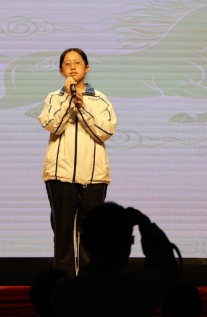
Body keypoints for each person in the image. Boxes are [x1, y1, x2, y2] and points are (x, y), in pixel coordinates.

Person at [38, 47, 117, 277]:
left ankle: (89, 286)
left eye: (78, 62)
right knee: (62, 233)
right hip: (60, 176)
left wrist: (83, 109)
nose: (72, 67)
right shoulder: (53, 98)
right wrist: (68, 101)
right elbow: (52, 125)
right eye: (67, 63)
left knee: (91, 235)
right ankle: (63, 286)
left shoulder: (100, 99)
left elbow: (105, 131)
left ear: (87, 68)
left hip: (93, 177)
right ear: (61, 70)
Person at [51, 202, 180, 317]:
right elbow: (167, 266)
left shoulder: (63, 291)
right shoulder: (140, 287)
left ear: (84, 242)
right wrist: (145, 223)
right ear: (128, 243)